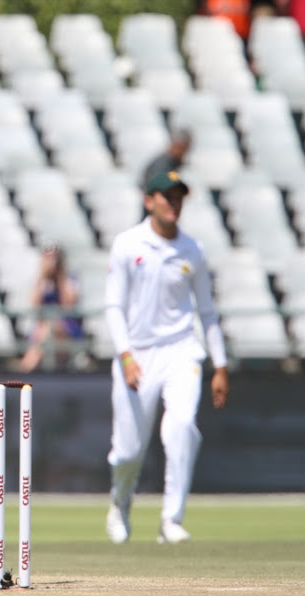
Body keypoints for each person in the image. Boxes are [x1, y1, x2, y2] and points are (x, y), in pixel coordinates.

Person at [103, 171, 229, 545]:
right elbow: (113, 306)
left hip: (180, 350)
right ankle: (119, 503)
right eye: (167, 197)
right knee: (128, 451)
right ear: (149, 201)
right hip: (136, 353)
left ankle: (171, 519)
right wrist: (125, 355)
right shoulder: (127, 244)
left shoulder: (193, 250)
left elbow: (206, 312)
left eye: (179, 198)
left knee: (182, 425)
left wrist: (220, 365)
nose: (173, 204)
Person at [17, 242, 84, 372]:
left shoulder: (70, 279)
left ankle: (25, 368)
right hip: (41, 329)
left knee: (49, 328)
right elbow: (35, 305)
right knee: (45, 330)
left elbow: (69, 305)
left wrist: (60, 277)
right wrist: (43, 276)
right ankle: (28, 367)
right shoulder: (41, 281)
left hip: (66, 329)